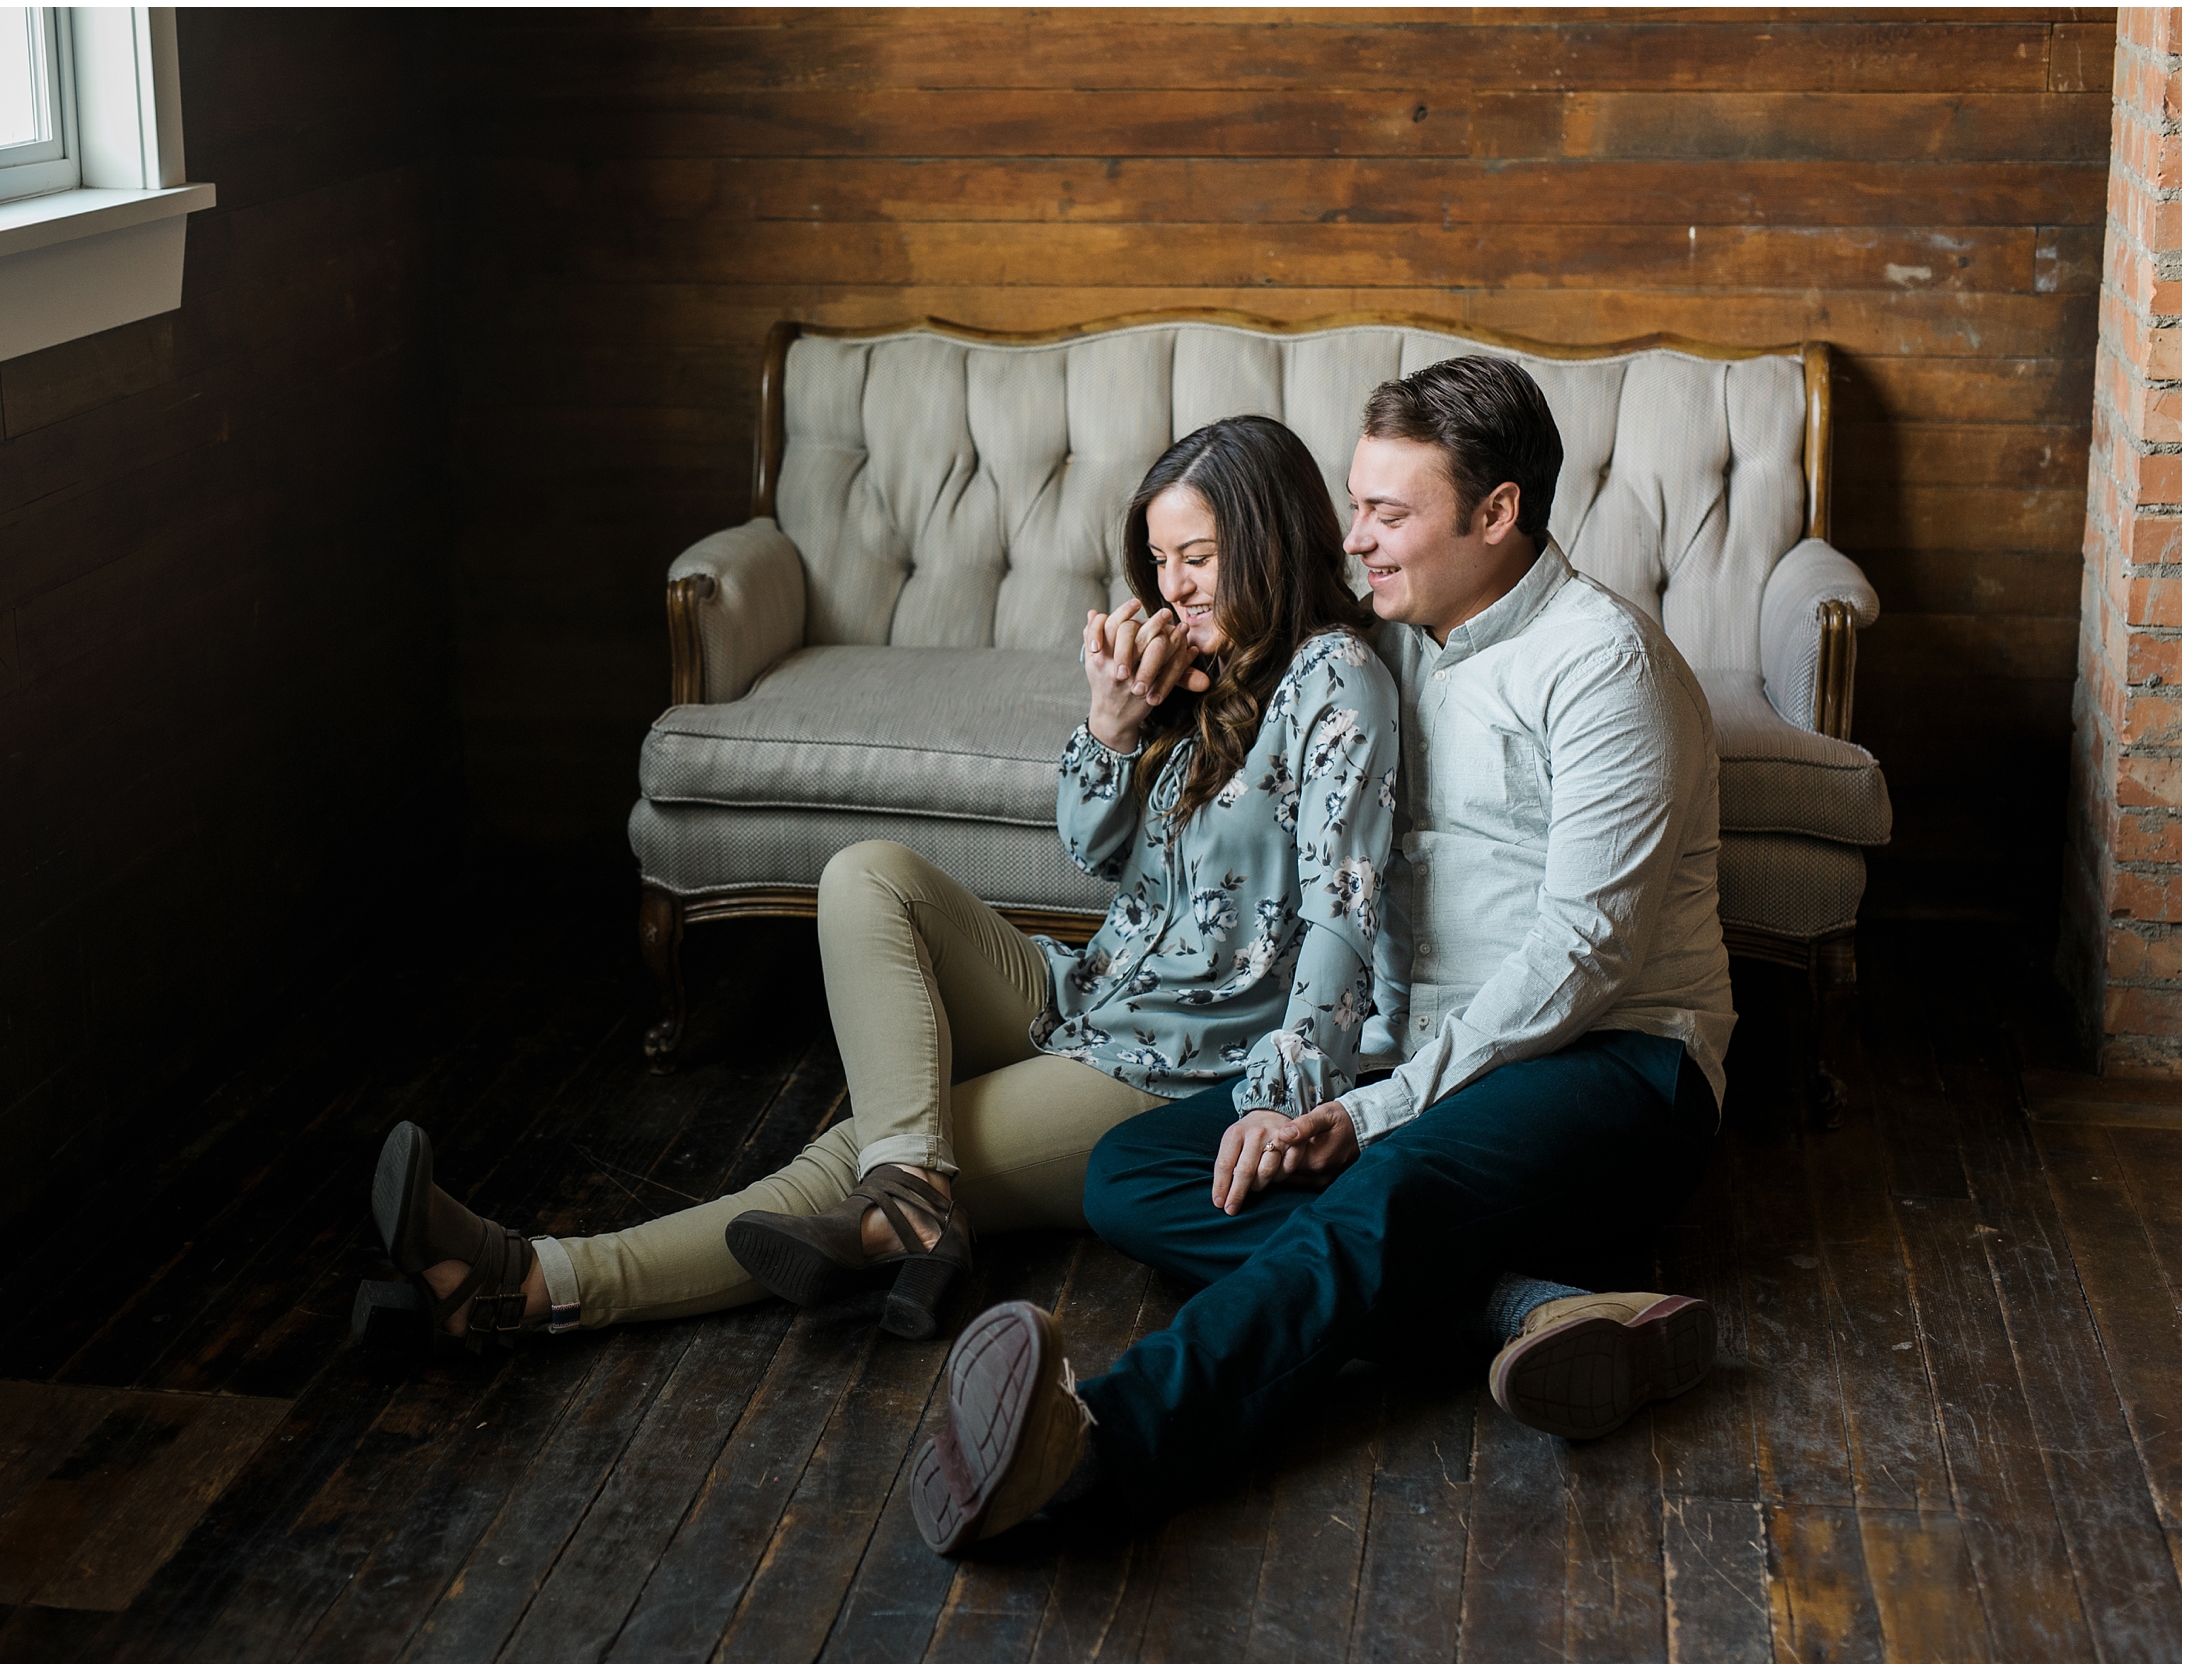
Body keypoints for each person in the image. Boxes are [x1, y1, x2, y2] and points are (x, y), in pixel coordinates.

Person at [906, 356, 1733, 1556]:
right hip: (1418, 1056)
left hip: (1611, 1066)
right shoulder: (1382, 648)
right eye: (1355, 506)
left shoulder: (1603, 667)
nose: (1355, 541)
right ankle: (1515, 1313)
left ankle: (1093, 1449)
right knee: (1132, 1173)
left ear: (1497, 514)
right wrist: (1139, 704)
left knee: (1383, 1189)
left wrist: (1376, 1107)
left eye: (1389, 515)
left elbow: (1585, 953)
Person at [359, 414, 1416, 1351]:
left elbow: (1344, 913)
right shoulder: (1207, 668)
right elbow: (1095, 854)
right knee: (867, 876)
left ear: (1271, 545)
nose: (1172, 587)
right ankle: (911, 1189)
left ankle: (527, 1282)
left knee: (848, 1155)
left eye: (1198, 557)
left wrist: (1285, 1101)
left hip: (1175, 1062)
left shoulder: (1337, 680)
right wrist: (1111, 724)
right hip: (1086, 991)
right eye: (1159, 560)